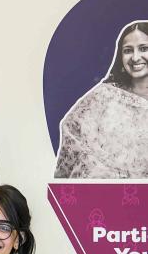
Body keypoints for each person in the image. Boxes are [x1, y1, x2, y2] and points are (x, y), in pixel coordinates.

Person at [54, 21, 148, 178]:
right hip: (104, 195)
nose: (135, 57)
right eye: (128, 50)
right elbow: (72, 129)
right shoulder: (104, 96)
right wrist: (106, 172)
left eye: (144, 48)